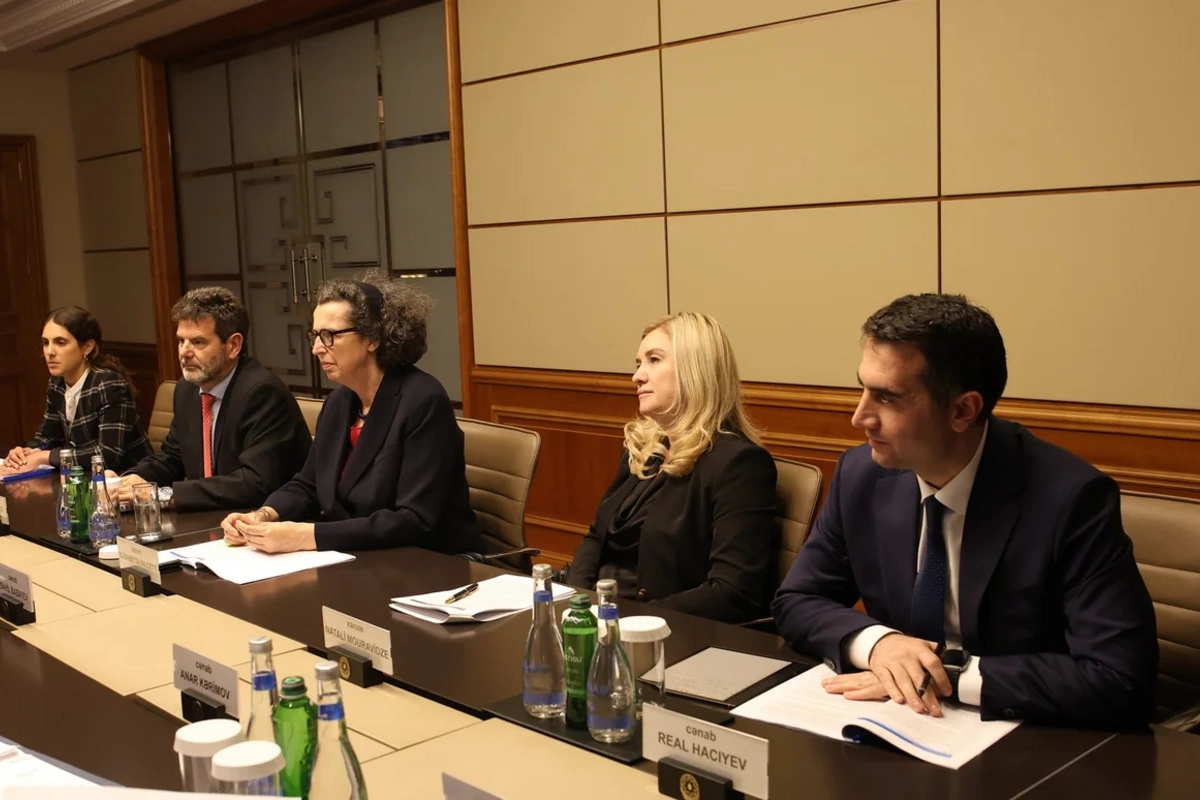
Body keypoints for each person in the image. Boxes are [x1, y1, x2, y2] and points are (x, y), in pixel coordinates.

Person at [774, 293, 1157, 728]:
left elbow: (1120, 679)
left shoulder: (1070, 500)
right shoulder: (861, 475)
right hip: (897, 722)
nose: (860, 417)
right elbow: (798, 600)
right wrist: (879, 644)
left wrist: (946, 674)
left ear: (962, 410)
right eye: (862, 388)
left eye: (887, 398)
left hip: (1020, 737)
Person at [219, 270, 481, 555]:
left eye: (329, 335)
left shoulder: (423, 401)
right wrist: (263, 516)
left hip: (431, 562)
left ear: (372, 338)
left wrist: (308, 536)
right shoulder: (339, 402)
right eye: (315, 336)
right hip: (358, 556)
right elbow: (308, 484)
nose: (317, 349)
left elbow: (414, 521)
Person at [566, 312, 779, 623]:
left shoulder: (739, 464)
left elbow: (732, 592)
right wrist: (576, 603)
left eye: (653, 360)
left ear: (696, 370)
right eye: (638, 363)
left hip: (664, 629)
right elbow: (597, 537)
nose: (637, 376)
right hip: (600, 618)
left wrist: (635, 621)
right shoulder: (644, 448)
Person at [114, 287, 312, 512]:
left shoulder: (262, 393)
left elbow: (255, 483)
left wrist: (163, 496)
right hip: (211, 518)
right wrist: (130, 480)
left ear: (233, 346)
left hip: (265, 519)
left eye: (198, 342)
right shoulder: (187, 390)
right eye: (181, 341)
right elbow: (173, 458)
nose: (184, 352)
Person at [3, 307, 152, 474]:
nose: (49, 352)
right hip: (84, 477)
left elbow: (109, 454)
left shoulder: (108, 383)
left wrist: (44, 457)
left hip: (128, 477)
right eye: (45, 343)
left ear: (87, 347)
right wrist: (25, 451)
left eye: (60, 342)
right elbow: (47, 436)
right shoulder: (57, 383)